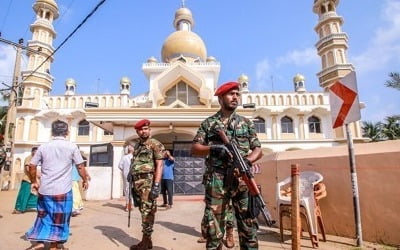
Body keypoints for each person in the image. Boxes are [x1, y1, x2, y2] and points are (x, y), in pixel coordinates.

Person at [191, 81, 263, 250]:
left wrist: (247, 161)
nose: (235, 97)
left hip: (243, 178)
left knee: (248, 224)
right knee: (214, 225)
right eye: (231, 94)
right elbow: (194, 148)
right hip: (217, 179)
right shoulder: (209, 124)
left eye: (237, 94)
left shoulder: (246, 123)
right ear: (220, 98)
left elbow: (258, 149)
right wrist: (214, 148)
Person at [25, 120, 90, 250]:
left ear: (52, 132)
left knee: (43, 216)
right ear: (67, 132)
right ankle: (54, 245)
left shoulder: (43, 147)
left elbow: (32, 166)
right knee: (60, 218)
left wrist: (34, 182)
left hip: (45, 190)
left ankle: (40, 242)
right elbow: (80, 166)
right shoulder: (72, 147)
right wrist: (85, 179)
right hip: (63, 190)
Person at [128, 119, 165, 250]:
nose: (143, 131)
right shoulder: (137, 145)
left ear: (149, 130)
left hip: (148, 183)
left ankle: (145, 241)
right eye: (140, 130)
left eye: (145, 129)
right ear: (137, 131)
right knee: (142, 210)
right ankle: (147, 241)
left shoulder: (155, 144)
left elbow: (160, 165)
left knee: (147, 211)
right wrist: (131, 173)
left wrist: (156, 185)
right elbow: (136, 161)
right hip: (137, 183)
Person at [12, 146, 39, 214]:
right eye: (35, 152)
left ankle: (26, 206)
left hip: (31, 180)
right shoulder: (29, 158)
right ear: (32, 152)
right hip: (27, 179)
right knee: (23, 195)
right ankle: (19, 208)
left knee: (33, 195)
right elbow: (28, 168)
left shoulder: (34, 159)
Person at [119, 144, 134, 211]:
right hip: (134, 175)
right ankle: (131, 205)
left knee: (127, 190)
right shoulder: (135, 157)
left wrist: (124, 170)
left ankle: (128, 205)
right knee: (132, 190)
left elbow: (120, 166)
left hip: (126, 175)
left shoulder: (124, 157)